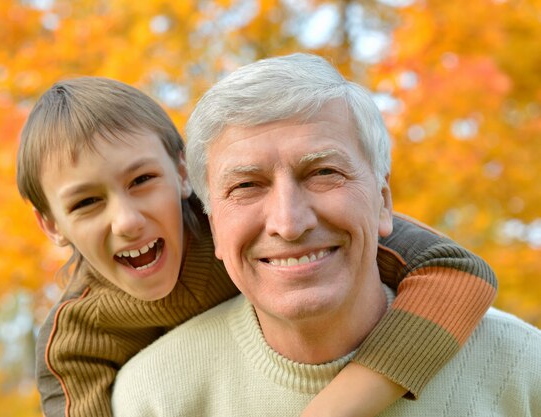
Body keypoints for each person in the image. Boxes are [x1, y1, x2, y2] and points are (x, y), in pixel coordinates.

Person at [16, 76, 497, 417]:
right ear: (50, 225)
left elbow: (458, 272)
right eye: (85, 202)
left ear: (183, 174)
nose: (126, 221)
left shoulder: (245, 223)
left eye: (142, 180)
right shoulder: (74, 341)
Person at [111, 53, 541, 416]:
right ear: (213, 224)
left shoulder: (524, 367)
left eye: (323, 173)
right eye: (245, 186)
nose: (289, 222)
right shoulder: (153, 397)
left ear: (383, 202)